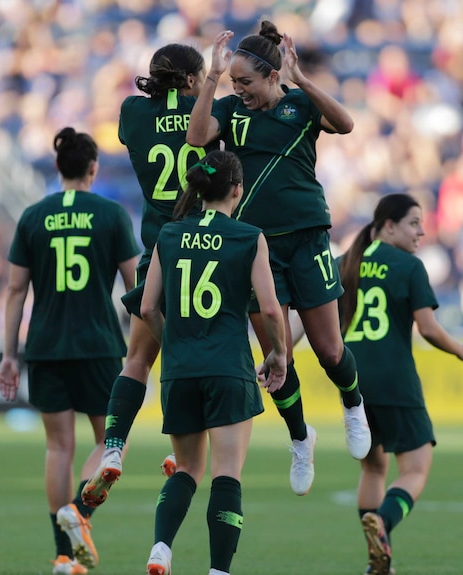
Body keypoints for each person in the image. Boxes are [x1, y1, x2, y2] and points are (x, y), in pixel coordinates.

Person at [187, 22, 372, 495]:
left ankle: (353, 405)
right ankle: (299, 437)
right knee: (277, 355)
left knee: (330, 350)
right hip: (258, 248)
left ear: (272, 76)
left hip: (308, 239)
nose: (240, 91)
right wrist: (213, 77)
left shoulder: (299, 105)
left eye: (245, 82)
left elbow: (346, 124)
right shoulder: (231, 111)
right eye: (235, 83)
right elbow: (195, 138)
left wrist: (303, 79)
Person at [0, 127, 139, 575]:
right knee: (110, 441)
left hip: (45, 346)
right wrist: (142, 350)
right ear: (93, 169)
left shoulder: (34, 216)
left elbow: (16, 291)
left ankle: (63, 555)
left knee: (59, 448)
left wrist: (9, 355)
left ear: (58, 169)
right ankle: (81, 511)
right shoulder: (111, 214)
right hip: (97, 345)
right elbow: (136, 287)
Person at [80, 43, 217, 507]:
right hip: (210, 250)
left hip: (159, 247)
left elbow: (149, 116)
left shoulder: (132, 112)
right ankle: (185, 454)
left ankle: (113, 448)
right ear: (194, 80)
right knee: (211, 354)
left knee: (138, 360)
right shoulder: (211, 110)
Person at [140, 150, 287, 575]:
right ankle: (218, 570)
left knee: (186, 468)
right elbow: (272, 310)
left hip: (180, 370)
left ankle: (161, 548)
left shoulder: (169, 233)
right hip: (228, 369)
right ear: (237, 190)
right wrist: (277, 354)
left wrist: (176, 344)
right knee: (227, 474)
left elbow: (148, 308)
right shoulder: (248, 236)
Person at [338, 193, 463, 575]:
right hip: (394, 378)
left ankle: (377, 560)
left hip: (353, 381)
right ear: (388, 226)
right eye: (414, 222)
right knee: (415, 469)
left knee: (372, 470)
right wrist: (459, 349)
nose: (422, 231)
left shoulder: (345, 264)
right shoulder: (408, 266)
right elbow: (428, 328)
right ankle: (383, 523)